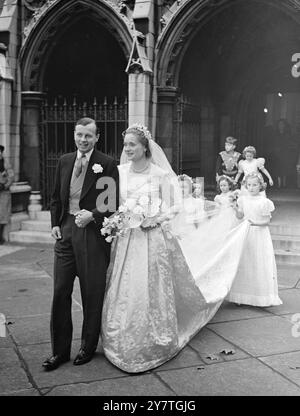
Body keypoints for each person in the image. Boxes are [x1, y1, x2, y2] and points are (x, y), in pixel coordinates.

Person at [101, 124, 250, 373]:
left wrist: (155, 219)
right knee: (125, 285)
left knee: (149, 286)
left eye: (131, 144)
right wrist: (117, 219)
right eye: (125, 144)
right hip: (128, 238)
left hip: (152, 238)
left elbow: (174, 206)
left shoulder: (159, 174)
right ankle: (120, 337)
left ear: (144, 147)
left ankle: (153, 337)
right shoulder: (119, 172)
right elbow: (112, 203)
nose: (126, 149)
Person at [42, 117, 119, 371]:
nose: (83, 140)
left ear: (97, 138)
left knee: (91, 292)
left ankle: (87, 346)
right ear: (74, 135)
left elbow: (109, 203)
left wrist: (93, 215)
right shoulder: (64, 161)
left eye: (88, 136)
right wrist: (55, 222)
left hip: (92, 236)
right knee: (60, 291)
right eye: (79, 135)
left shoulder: (106, 164)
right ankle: (60, 351)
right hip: (65, 232)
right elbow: (55, 196)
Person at [227, 173, 282, 307]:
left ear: (261, 186)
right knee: (246, 262)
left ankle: (262, 297)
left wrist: (254, 224)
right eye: (249, 185)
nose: (251, 188)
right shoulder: (243, 200)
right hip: (246, 234)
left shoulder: (264, 202)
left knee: (259, 262)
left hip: (260, 234)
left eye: (255, 185)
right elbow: (241, 216)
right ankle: (242, 296)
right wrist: (235, 209)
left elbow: (267, 221)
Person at [272, 119, 299, 188]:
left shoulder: (288, 134)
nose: (281, 126)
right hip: (277, 154)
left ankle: (284, 185)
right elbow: (273, 143)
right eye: (280, 124)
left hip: (285, 154)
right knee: (278, 169)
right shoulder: (275, 134)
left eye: (282, 124)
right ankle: (278, 184)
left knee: (284, 169)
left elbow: (289, 144)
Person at [0, 145, 14, 244]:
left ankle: (1, 237)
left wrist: (5, 186)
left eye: (0, 151)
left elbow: (11, 176)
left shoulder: (6, 163)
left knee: (3, 215)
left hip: (4, 192)